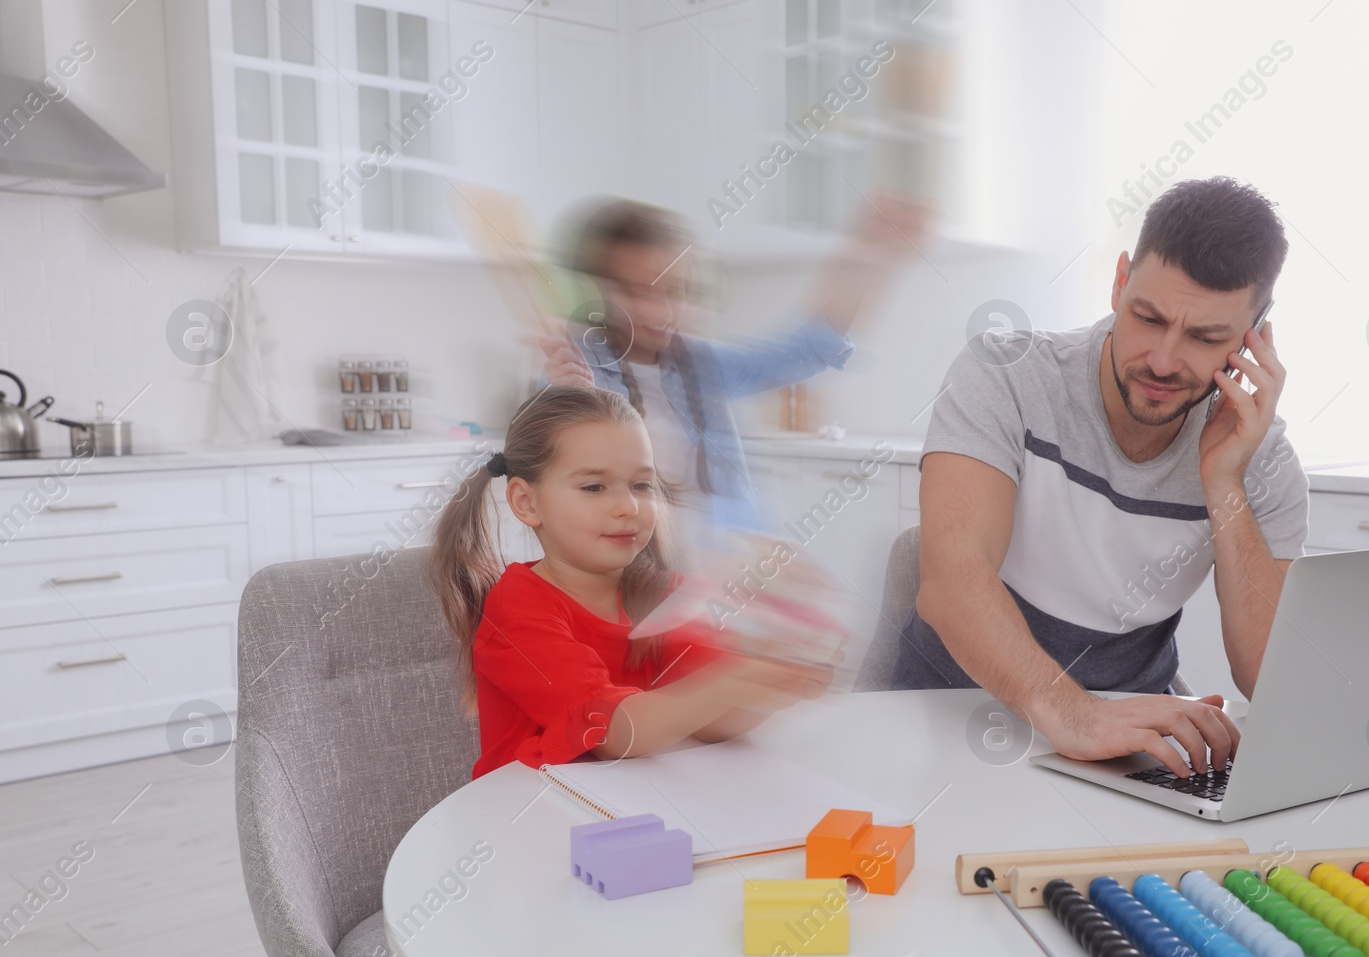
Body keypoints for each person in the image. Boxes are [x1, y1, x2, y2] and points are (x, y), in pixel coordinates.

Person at [894, 176, 1310, 779]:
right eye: (1148, 316)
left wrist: (1225, 482)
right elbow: (952, 578)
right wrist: (1075, 715)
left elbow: (1271, 680)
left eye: (1205, 337)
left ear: (1254, 337)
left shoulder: (1260, 458)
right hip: (955, 721)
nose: (1164, 360)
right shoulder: (1007, 375)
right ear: (1119, 283)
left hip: (1125, 751)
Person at [428, 384, 836, 775]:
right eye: (594, 486)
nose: (627, 506)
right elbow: (612, 732)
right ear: (526, 501)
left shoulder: (663, 593)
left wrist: (770, 677)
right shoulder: (516, 612)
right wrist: (731, 682)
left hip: (640, 809)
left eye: (641, 485)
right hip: (533, 820)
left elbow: (709, 721)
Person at [536, 194, 929, 531]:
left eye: (675, 290)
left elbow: (803, 352)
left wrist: (870, 257)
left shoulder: (699, 362)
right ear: (598, 292)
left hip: (732, 569)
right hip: (639, 580)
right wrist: (566, 400)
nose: (660, 309)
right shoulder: (573, 371)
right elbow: (564, 485)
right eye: (637, 292)